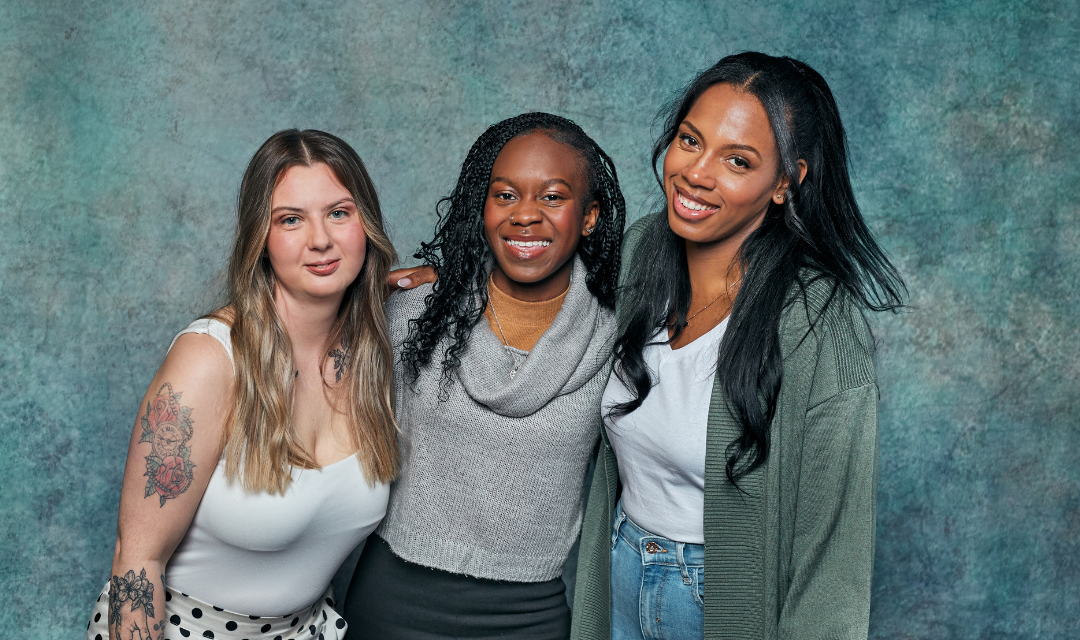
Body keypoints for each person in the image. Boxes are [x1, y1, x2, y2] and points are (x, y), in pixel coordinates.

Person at [571, 52, 907, 639]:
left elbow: (833, 557)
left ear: (785, 182)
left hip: (718, 602)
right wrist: (450, 285)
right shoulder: (642, 251)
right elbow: (544, 294)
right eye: (689, 140)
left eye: (737, 160)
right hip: (622, 571)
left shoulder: (820, 323)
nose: (696, 173)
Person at [85, 129, 399, 640]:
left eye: (339, 213)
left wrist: (425, 279)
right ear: (261, 237)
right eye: (291, 220)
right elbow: (136, 560)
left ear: (366, 224)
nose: (320, 239)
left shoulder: (373, 352)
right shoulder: (210, 360)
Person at [343, 112, 626, 639]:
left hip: (528, 619)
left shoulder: (617, 342)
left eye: (552, 197)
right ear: (483, 207)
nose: (525, 215)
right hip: (390, 603)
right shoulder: (415, 311)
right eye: (505, 195)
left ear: (589, 217)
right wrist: (359, 294)